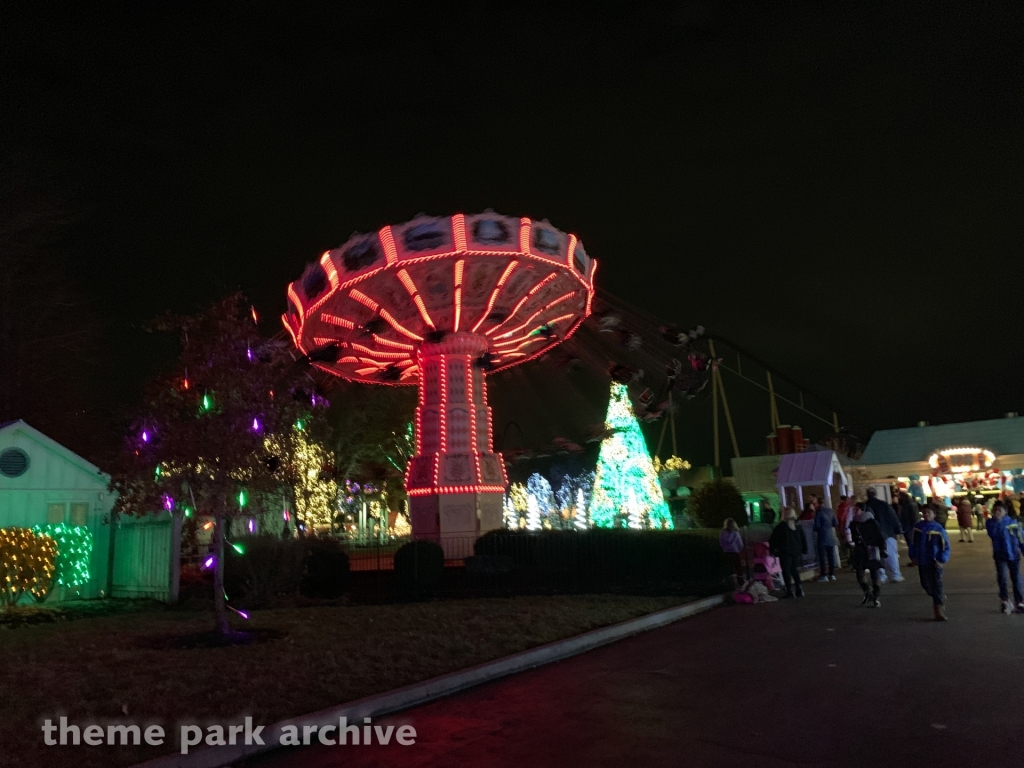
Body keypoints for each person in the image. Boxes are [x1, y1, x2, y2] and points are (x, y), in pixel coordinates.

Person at [911, 505, 951, 621]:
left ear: (934, 515)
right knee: (925, 584)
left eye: (929, 512)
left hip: (935, 562)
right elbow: (913, 543)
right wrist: (913, 556)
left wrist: (942, 559)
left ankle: (938, 610)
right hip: (922, 561)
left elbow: (946, 547)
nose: (926, 514)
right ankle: (938, 597)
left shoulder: (938, 529)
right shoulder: (917, 528)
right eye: (924, 512)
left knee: (937, 583)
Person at [985, 501, 1024, 614]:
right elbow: (992, 533)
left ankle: (1019, 602)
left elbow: (1021, 537)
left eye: (999, 510)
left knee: (1016, 578)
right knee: (1002, 578)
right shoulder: (991, 523)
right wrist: (998, 521)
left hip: (1014, 554)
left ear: (1005, 512)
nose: (997, 512)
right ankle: (1005, 600)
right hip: (1000, 554)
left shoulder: (1014, 523)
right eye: (995, 510)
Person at [865, 487, 904, 583]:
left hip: (872, 536)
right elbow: (893, 517)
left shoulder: (865, 506)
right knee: (891, 555)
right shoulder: (884, 505)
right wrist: (898, 529)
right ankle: (896, 575)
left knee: (876, 556)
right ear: (876, 494)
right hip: (888, 533)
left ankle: (881, 576)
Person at [850, 505, 885, 607]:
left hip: (872, 549)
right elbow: (853, 538)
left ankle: (876, 596)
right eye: (854, 509)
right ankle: (868, 592)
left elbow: (880, 536)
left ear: (863, 510)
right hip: (860, 550)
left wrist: (883, 548)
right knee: (859, 572)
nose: (855, 511)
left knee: (874, 572)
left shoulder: (872, 522)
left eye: (857, 509)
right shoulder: (854, 523)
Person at [770, 507, 807, 598]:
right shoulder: (797, 526)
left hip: (785, 551)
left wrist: (773, 550)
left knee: (786, 570)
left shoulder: (780, 527)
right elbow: (803, 539)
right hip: (796, 551)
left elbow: (773, 540)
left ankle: (789, 591)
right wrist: (804, 549)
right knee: (794, 569)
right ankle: (799, 589)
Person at [813, 502, 839, 581]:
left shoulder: (819, 512)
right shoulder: (831, 511)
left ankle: (824, 575)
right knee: (830, 555)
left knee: (822, 556)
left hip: (822, 536)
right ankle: (832, 574)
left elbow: (816, 526)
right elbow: (836, 523)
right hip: (831, 535)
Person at [897, 492, 921, 567]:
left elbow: (914, 517)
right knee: (911, 544)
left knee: (912, 544)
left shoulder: (909, 505)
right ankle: (914, 559)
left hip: (910, 526)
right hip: (908, 526)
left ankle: (915, 559)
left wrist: (914, 527)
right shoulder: (906, 504)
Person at [719, 518, 744, 584]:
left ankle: (729, 583)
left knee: (728, 568)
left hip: (726, 552)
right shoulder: (736, 533)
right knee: (738, 568)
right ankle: (740, 583)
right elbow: (740, 544)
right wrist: (739, 549)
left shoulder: (722, 533)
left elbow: (721, 543)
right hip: (735, 552)